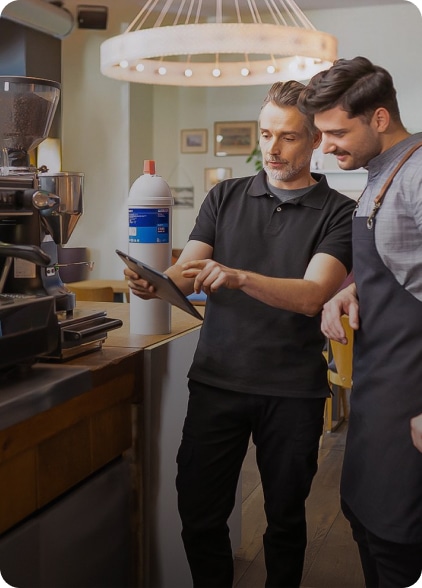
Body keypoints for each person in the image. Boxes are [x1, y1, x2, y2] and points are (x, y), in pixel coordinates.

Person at [124, 80, 355, 588]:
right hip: (217, 383)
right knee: (200, 514)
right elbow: (188, 270)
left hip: (292, 391)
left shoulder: (339, 212)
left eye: (288, 137)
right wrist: (152, 283)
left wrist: (238, 276)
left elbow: (313, 295)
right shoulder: (224, 196)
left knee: (286, 522)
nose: (272, 148)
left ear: (316, 140)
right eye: (266, 133)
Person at [298, 56, 422, 588]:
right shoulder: (378, 174)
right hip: (379, 386)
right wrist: (351, 291)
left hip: (412, 397)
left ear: (377, 118)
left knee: (398, 540)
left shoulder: (418, 175)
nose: (324, 147)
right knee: (366, 523)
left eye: (334, 132)